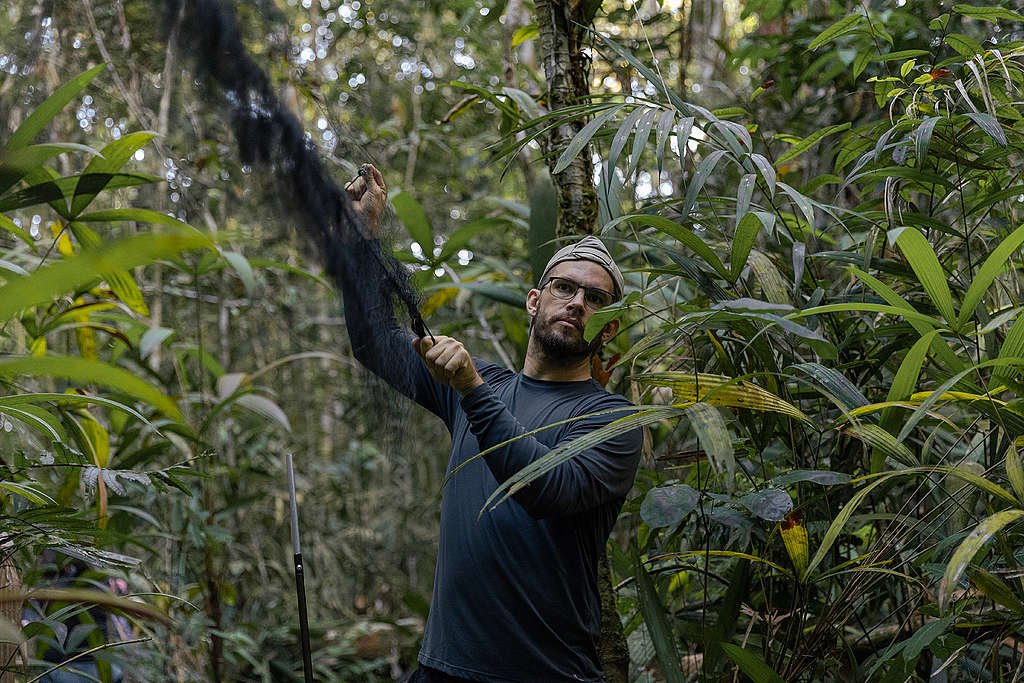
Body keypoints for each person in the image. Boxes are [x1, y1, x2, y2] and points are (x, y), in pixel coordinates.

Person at [341, 164, 642, 682]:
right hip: (443, 669)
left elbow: (548, 487)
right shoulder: (487, 385)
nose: (576, 302)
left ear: (608, 327)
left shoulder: (611, 420)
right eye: (564, 287)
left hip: (547, 673)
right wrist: (361, 238)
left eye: (594, 298)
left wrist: (471, 391)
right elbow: (372, 339)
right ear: (534, 300)